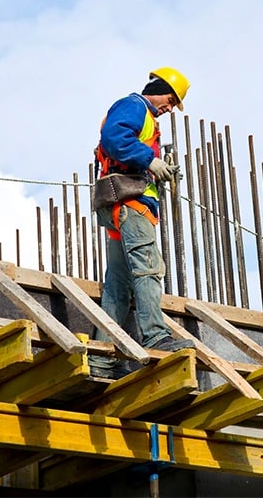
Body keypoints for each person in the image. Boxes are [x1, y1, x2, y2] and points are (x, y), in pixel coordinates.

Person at [89, 67, 194, 379]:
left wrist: (158, 169)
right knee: (148, 269)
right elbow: (114, 138)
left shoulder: (146, 118)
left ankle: (103, 357)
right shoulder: (135, 106)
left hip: (121, 206)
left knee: (118, 287)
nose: (170, 108)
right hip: (131, 205)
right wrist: (150, 161)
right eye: (171, 99)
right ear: (158, 88)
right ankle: (156, 335)